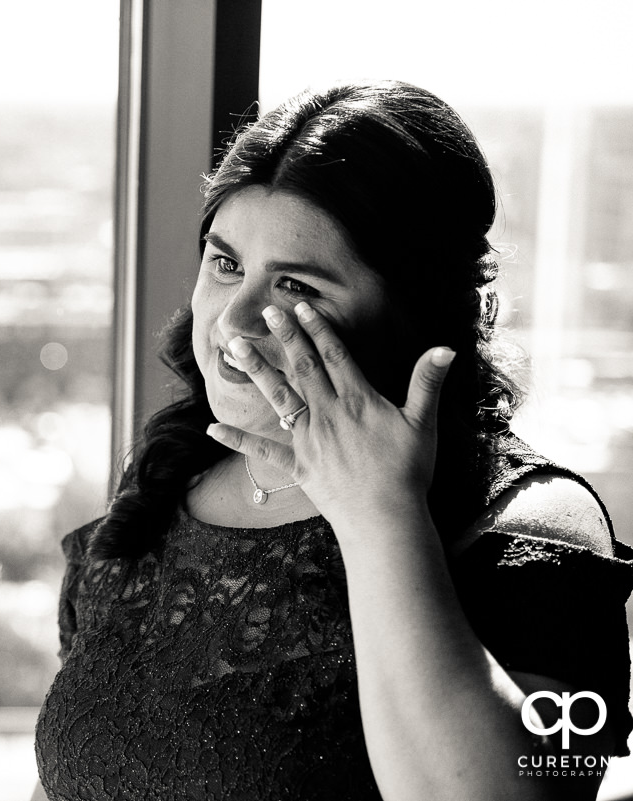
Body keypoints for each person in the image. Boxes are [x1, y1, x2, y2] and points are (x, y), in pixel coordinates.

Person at [32, 80, 633, 801]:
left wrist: (379, 514)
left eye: (297, 288)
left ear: (414, 314)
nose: (234, 321)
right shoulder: (164, 488)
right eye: (226, 264)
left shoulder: (536, 523)